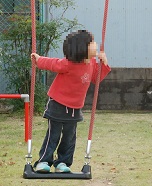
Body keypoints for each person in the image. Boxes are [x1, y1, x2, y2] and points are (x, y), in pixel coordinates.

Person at [30, 29, 111, 173]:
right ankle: (43, 161)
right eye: (92, 42)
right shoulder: (68, 64)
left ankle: (62, 163)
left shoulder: (92, 63)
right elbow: (52, 63)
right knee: (53, 134)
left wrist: (104, 63)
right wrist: (38, 59)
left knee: (69, 137)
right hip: (58, 104)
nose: (95, 44)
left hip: (75, 107)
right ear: (82, 47)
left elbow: (96, 79)